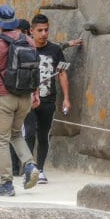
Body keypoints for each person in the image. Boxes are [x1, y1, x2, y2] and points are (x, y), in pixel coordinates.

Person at [0, 5, 41, 196]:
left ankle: (6, 183)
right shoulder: (29, 41)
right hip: (24, 97)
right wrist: (35, 93)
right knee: (16, 134)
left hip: (3, 98)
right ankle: (30, 165)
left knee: (2, 140)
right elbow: (35, 69)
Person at [24, 14, 72, 184]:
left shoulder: (55, 50)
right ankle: (28, 167)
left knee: (43, 135)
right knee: (29, 133)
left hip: (49, 99)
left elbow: (62, 73)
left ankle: (41, 169)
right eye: (40, 30)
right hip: (28, 99)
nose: (44, 33)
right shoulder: (25, 48)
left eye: (46, 30)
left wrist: (66, 98)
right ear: (31, 31)